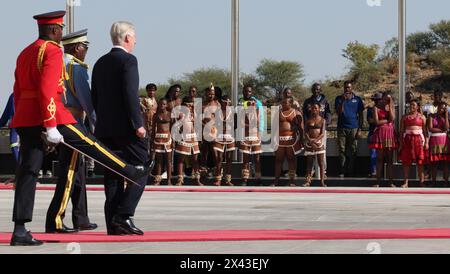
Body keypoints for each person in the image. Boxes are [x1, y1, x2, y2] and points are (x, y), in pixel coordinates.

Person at [10, 12, 148, 246]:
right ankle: (129, 171)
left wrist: (29, 118)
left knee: (28, 173)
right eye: (60, 29)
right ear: (54, 30)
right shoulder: (52, 50)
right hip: (54, 116)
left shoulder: (26, 52)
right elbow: (47, 90)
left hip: (26, 118)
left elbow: (18, 88)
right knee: (90, 144)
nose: (61, 33)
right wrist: (51, 124)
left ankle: (20, 229)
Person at [91, 21, 149, 236]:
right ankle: (123, 215)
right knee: (143, 168)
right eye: (133, 38)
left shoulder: (100, 62)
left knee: (113, 174)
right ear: (126, 38)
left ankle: (113, 223)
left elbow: (94, 97)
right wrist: (138, 124)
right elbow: (130, 94)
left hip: (105, 129)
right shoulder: (129, 60)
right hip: (127, 130)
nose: (135, 42)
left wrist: (104, 121)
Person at [46, 29, 98, 234]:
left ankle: (81, 217)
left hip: (57, 121)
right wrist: (96, 125)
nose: (85, 51)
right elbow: (87, 102)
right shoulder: (76, 67)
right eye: (85, 48)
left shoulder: (58, 63)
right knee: (69, 171)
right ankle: (57, 218)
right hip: (73, 122)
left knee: (77, 171)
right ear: (77, 48)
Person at [334, 81, 364, 177]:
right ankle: (342, 170)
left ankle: (351, 171)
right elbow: (339, 112)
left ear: (352, 88)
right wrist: (343, 101)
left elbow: (361, 115)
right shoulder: (338, 98)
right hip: (341, 127)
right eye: (346, 87)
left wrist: (360, 129)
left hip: (354, 128)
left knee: (353, 149)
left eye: (349, 87)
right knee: (342, 149)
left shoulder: (358, 99)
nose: (347, 89)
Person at [369, 92, 397, 188]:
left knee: (389, 159)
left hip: (389, 134)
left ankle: (390, 181)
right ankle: (377, 181)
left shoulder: (391, 107)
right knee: (379, 159)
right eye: (385, 99)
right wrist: (387, 120)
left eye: (388, 99)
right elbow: (376, 122)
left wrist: (390, 106)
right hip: (380, 133)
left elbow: (392, 118)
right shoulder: (376, 108)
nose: (386, 100)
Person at [238, 85, 265, 186]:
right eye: (245, 91)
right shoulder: (240, 103)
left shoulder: (257, 103)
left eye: (249, 91)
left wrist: (260, 131)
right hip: (244, 134)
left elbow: (260, 118)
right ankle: (244, 179)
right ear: (243, 92)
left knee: (257, 158)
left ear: (251, 92)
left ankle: (258, 179)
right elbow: (239, 119)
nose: (247, 93)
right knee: (245, 158)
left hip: (255, 134)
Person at [303, 83, 332, 177]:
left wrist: (326, 123)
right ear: (312, 90)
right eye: (314, 89)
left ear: (320, 90)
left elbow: (328, 113)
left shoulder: (325, 101)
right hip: (310, 131)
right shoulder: (308, 101)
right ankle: (310, 173)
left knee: (322, 152)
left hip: (321, 131)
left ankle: (323, 173)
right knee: (310, 153)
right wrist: (307, 125)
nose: (316, 91)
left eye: (318, 89)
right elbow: (304, 114)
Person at [274, 97, 303, 187]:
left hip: (292, 140)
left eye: (285, 103)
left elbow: (301, 128)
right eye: (282, 103)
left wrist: (301, 140)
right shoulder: (278, 113)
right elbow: (274, 127)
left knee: (291, 160)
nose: (283, 104)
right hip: (280, 140)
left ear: (290, 103)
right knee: (278, 160)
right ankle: (276, 181)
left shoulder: (296, 113)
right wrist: (273, 140)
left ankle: (292, 181)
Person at [399, 99, 428, 188]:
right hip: (407, 140)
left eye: (413, 105)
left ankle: (421, 182)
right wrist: (401, 143)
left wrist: (426, 143)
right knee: (406, 162)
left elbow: (425, 131)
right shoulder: (404, 117)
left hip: (419, 141)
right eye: (410, 105)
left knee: (420, 162)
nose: (411, 106)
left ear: (418, 106)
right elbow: (401, 131)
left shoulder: (422, 117)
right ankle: (406, 182)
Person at [174, 96, 203, 186]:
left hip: (193, 138)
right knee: (181, 159)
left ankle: (197, 179)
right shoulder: (180, 114)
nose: (189, 107)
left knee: (195, 160)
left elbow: (198, 126)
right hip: (184, 138)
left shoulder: (195, 114)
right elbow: (177, 127)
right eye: (188, 105)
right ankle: (180, 179)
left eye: (191, 105)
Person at [212, 95, 236, 186]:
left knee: (229, 159)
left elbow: (236, 125)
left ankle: (228, 180)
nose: (227, 104)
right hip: (219, 136)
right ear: (221, 102)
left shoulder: (232, 112)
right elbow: (213, 124)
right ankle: (218, 178)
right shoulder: (217, 112)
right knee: (219, 158)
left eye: (228, 102)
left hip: (230, 136)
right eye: (225, 102)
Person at [152, 98, 174, 186]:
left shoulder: (170, 115)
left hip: (168, 139)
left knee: (168, 161)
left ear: (167, 105)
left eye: (164, 104)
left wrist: (174, 141)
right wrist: (152, 140)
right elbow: (153, 129)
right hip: (158, 139)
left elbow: (173, 128)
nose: (162, 106)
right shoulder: (155, 115)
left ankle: (169, 180)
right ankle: (158, 180)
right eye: (160, 104)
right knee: (159, 161)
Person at [304, 103, 327, 187]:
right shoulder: (308, 120)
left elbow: (322, 133)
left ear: (319, 109)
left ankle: (322, 182)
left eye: (316, 108)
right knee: (309, 164)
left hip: (318, 143)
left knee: (321, 163)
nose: (314, 110)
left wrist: (315, 141)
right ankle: (308, 181)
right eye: (313, 108)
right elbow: (305, 132)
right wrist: (310, 141)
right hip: (309, 143)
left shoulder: (322, 120)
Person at [200, 85, 220, 179]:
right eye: (209, 93)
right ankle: (203, 172)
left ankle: (217, 172)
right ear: (206, 93)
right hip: (204, 130)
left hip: (213, 130)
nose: (211, 95)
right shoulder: (202, 104)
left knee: (214, 151)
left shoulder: (217, 104)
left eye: (213, 94)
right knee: (204, 151)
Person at [427, 102, 449, 185]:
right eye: (440, 107)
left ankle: (446, 182)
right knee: (434, 163)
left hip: (444, 141)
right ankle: (433, 181)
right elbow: (430, 128)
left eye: (443, 108)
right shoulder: (432, 116)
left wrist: (446, 116)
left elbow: (447, 127)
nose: (441, 109)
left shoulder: (446, 117)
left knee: (446, 162)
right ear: (437, 107)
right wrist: (442, 130)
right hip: (434, 140)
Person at [140, 83, 158, 161]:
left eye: (153, 90)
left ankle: (153, 160)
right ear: (147, 91)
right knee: (147, 143)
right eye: (150, 90)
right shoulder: (144, 101)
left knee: (154, 143)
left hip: (155, 124)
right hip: (146, 124)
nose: (151, 92)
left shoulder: (156, 101)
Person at [0, 93, 19, 163]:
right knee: (14, 143)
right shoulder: (13, 96)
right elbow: (6, 114)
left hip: (28, 125)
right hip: (16, 126)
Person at [366, 93, 380, 178]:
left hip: (382, 134)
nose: (377, 101)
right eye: (376, 100)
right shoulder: (370, 110)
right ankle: (373, 171)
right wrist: (378, 120)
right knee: (373, 154)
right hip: (373, 134)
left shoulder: (384, 110)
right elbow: (370, 121)